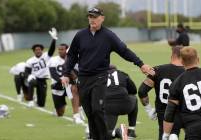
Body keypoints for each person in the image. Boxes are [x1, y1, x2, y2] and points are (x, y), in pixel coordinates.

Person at [61, 7, 154, 140]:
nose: (92, 19)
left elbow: (124, 51)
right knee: (90, 114)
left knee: (97, 109)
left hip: (100, 77)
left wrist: (140, 63)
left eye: (95, 17)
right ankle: (100, 136)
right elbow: (71, 56)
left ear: (102, 18)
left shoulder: (108, 36)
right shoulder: (80, 35)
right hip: (83, 79)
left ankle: (109, 135)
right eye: (90, 17)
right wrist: (65, 73)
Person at [138, 46, 185, 140]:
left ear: (172, 55)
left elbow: (142, 91)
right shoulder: (188, 72)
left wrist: (149, 110)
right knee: (177, 133)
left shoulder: (157, 70)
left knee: (164, 135)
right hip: (181, 111)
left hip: (163, 112)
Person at [163, 47, 201, 140]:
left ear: (182, 62)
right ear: (198, 59)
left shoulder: (177, 82)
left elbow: (170, 113)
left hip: (193, 128)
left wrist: (166, 135)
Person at [48, 43, 84, 124]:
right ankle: (68, 110)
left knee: (76, 90)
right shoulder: (55, 60)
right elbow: (62, 68)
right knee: (60, 113)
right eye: (59, 49)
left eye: (62, 49)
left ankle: (78, 112)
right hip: (59, 84)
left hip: (73, 81)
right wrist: (64, 79)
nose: (60, 51)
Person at [25, 28, 57, 107]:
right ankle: (30, 100)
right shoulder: (30, 61)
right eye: (36, 50)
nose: (38, 51)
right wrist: (29, 76)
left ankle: (37, 100)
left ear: (42, 50)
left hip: (43, 80)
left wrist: (54, 39)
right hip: (35, 79)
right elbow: (26, 72)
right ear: (33, 51)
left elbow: (51, 50)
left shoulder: (46, 56)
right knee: (31, 82)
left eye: (39, 49)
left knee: (41, 104)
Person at [105, 65, 138, 140]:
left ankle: (115, 132)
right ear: (116, 70)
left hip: (109, 108)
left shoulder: (100, 76)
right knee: (134, 98)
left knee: (104, 133)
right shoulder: (122, 74)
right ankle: (131, 131)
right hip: (125, 105)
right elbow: (133, 91)